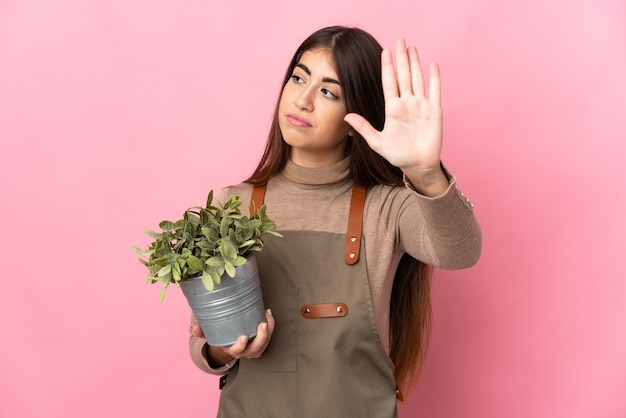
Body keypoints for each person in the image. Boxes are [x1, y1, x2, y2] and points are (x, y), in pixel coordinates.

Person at [189, 25, 481, 417]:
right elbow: (202, 338)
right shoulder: (232, 205)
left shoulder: (388, 206)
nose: (303, 100)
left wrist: (426, 172)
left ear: (357, 113)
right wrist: (222, 348)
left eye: (328, 91)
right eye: (298, 77)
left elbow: (461, 251)